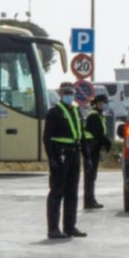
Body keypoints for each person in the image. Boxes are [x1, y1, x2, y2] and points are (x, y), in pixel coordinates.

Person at [43, 83, 87, 239]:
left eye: (71, 92)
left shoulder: (76, 110)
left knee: (72, 193)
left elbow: (81, 135)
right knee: (57, 192)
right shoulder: (54, 112)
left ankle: (70, 226)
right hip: (60, 154)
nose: (69, 95)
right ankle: (53, 229)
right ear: (60, 94)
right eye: (66, 92)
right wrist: (52, 159)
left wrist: (86, 156)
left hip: (74, 154)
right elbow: (47, 138)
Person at [82, 94, 112, 209]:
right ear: (98, 103)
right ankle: (89, 201)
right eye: (104, 102)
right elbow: (98, 134)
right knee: (90, 176)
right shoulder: (94, 116)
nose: (105, 105)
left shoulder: (98, 115)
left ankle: (90, 200)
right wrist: (107, 143)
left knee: (91, 176)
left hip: (93, 147)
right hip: (91, 148)